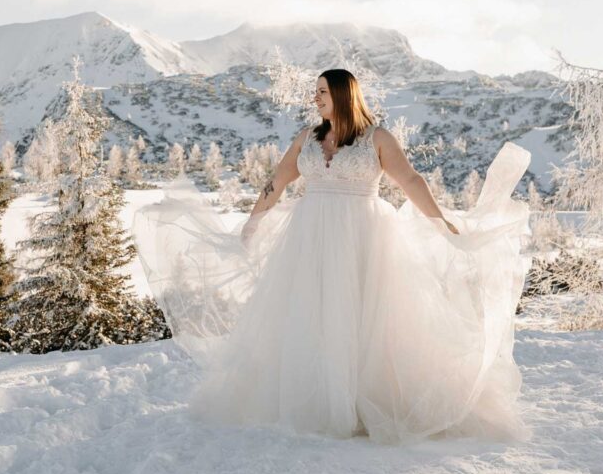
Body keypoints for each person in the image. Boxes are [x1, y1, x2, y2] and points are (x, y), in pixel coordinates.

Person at [132, 68, 534, 444]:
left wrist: (441, 223)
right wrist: (252, 222)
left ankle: (364, 399)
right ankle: (318, 396)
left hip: (363, 237)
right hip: (310, 238)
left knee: (362, 316)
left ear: (343, 95)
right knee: (312, 312)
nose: (316, 98)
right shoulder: (308, 136)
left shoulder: (377, 138)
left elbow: (410, 179)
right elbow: (279, 180)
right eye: (316, 92)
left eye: (322, 92)